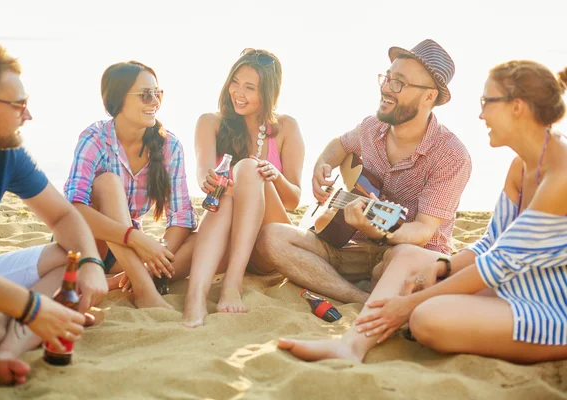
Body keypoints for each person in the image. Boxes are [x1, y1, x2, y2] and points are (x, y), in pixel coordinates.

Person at [278, 60, 567, 364]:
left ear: (517, 107)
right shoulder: (521, 166)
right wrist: (443, 266)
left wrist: (409, 303)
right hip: (515, 286)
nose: (481, 114)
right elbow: (489, 244)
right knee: (410, 257)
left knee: (426, 317)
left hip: (550, 307)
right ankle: (351, 346)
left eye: (486, 102)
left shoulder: (559, 175)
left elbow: (497, 264)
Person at [257, 39, 471, 305]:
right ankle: (357, 296)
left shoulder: (451, 155)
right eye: (386, 78)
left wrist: (377, 230)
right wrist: (322, 165)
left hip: (409, 252)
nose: (386, 88)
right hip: (352, 245)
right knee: (272, 237)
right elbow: (339, 144)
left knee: (399, 261)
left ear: (429, 96)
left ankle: (357, 285)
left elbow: (423, 230)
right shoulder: (371, 127)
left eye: (399, 83)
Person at [0, 45, 108, 385]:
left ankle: (1, 353)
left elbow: (62, 216)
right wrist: (33, 308)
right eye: (18, 105)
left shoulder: (5, 155)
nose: (27, 115)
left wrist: (91, 263)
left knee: (69, 259)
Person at [182, 48, 305, 327]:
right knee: (225, 195)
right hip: (224, 235)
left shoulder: (286, 128)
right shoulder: (210, 122)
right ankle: (195, 296)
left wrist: (274, 175)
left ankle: (231, 285)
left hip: (265, 243)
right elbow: (203, 170)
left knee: (248, 168)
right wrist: (207, 179)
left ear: (269, 93)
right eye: (235, 82)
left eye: (250, 87)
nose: (238, 92)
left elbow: (294, 200)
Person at [64, 61, 197, 310]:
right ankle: (144, 290)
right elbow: (73, 209)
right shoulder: (94, 139)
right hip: (85, 245)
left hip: (125, 254)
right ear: (117, 99)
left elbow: (181, 217)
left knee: (201, 242)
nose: (154, 102)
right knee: (107, 183)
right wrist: (135, 238)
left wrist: (158, 254)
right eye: (145, 95)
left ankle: (130, 278)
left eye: (158, 93)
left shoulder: (170, 146)